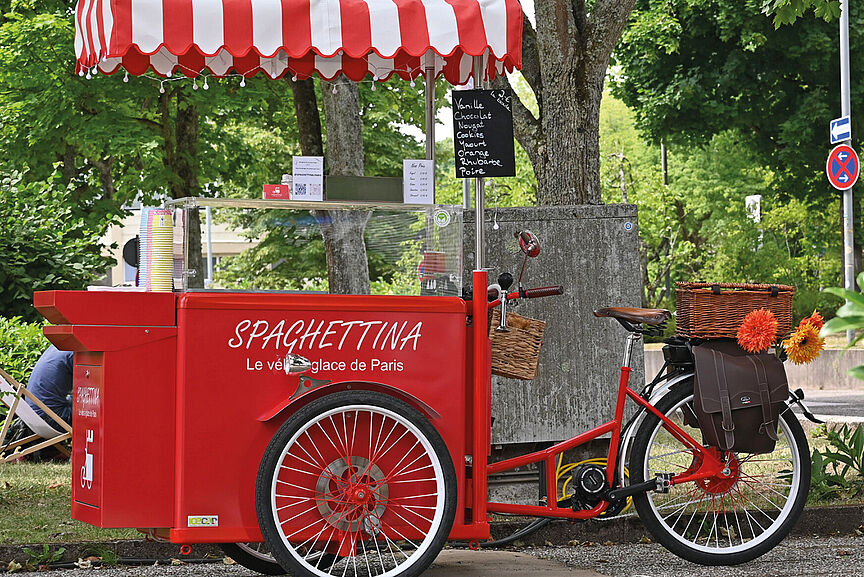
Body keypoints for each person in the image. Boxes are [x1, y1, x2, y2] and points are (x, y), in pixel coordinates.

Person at [25, 344, 74, 426]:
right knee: (96, 405)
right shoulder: (76, 351)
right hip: (52, 417)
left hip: (32, 414)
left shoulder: (56, 345)